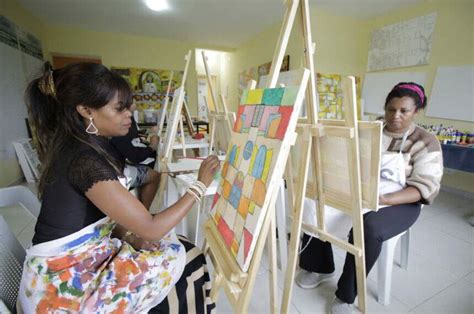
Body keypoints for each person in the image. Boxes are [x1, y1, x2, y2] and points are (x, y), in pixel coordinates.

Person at [20, 62, 220, 313]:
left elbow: (100, 216)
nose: (130, 115)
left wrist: (127, 233)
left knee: (178, 246)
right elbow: (152, 229)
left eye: (129, 107)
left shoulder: (84, 146)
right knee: (186, 257)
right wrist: (200, 184)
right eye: (120, 109)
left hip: (73, 264)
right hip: (60, 287)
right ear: (85, 110)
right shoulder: (84, 159)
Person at [296, 82, 443, 313]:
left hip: (403, 200)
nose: (395, 116)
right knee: (317, 202)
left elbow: (424, 188)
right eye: (390, 109)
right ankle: (319, 267)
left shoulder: (426, 141)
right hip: (363, 189)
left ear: (416, 111)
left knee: (368, 227)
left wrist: (384, 199)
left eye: (404, 111)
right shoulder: (371, 129)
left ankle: (346, 295)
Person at [110, 105, 160, 209]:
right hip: (117, 170)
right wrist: (152, 146)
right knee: (154, 175)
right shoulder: (116, 126)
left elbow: (133, 138)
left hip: (121, 163)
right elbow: (135, 156)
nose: (129, 114)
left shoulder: (125, 120)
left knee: (152, 163)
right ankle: (144, 213)